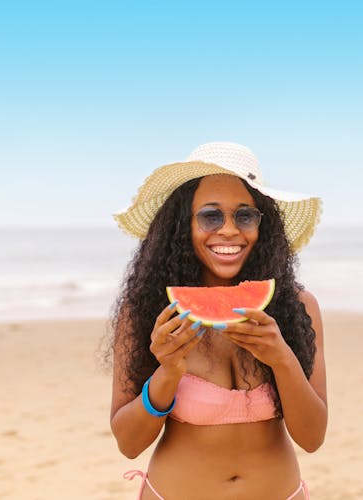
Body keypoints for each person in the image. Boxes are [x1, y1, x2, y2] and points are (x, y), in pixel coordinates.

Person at [108, 142, 327, 499]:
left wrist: (282, 359)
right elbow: (129, 444)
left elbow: (313, 438)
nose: (228, 230)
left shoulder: (296, 306)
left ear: (262, 225)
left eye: (245, 216)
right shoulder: (145, 310)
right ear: (183, 225)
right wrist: (168, 371)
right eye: (211, 216)